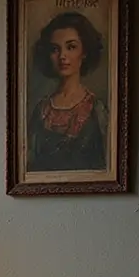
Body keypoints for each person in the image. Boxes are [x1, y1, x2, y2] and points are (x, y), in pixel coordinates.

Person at [28, 11, 108, 172]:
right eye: (55, 49)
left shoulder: (97, 110)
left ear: (84, 52)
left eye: (71, 47)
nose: (62, 56)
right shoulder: (42, 110)